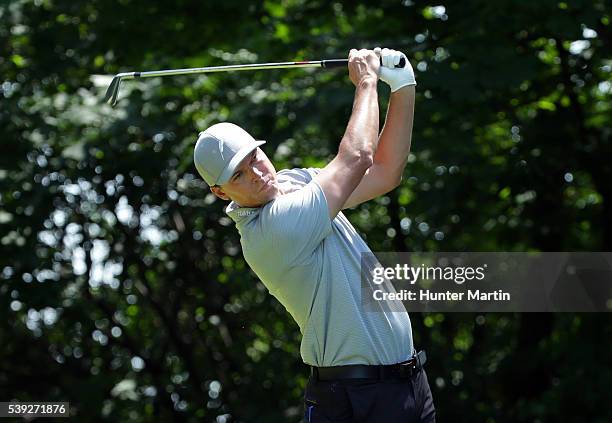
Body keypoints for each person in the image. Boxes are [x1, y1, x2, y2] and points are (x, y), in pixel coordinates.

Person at [193, 47, 435, 422]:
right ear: (221, 192)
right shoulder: (271, 230)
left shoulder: (296, 183)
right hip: (354, 400)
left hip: (408, 386)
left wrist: (403, 86)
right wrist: (367, 81)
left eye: (254, 158)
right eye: (238, 174)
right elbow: (356, 158)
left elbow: (386, 172)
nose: (257, 174)